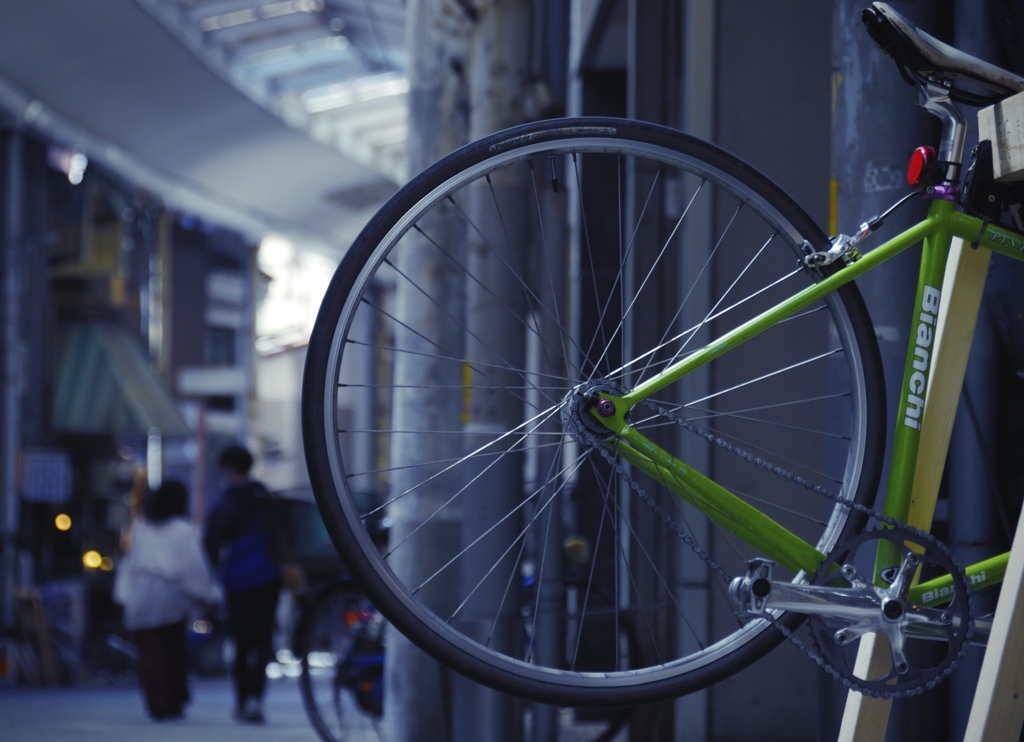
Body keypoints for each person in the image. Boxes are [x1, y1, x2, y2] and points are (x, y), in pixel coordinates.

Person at [113, 479, 219, 721]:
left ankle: (157, 701)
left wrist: (122, 596)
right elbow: (193, 567)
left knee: (150, 652)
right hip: (171, 593)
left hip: (140, 591)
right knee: (173, 649)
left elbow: (128, 564)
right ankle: (173, 699)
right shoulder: (184, 530)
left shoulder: (139, 527)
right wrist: (207, 594)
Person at [203, 444, 293, 724]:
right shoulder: (266, 497)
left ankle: (242, 701)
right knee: (263, 639)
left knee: (241, 642)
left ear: (228, 469)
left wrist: (214, 574)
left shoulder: (225, 502)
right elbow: (286, 533)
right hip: (268, 576)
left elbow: (211, 543)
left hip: (237, 579)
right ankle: (256, 698)